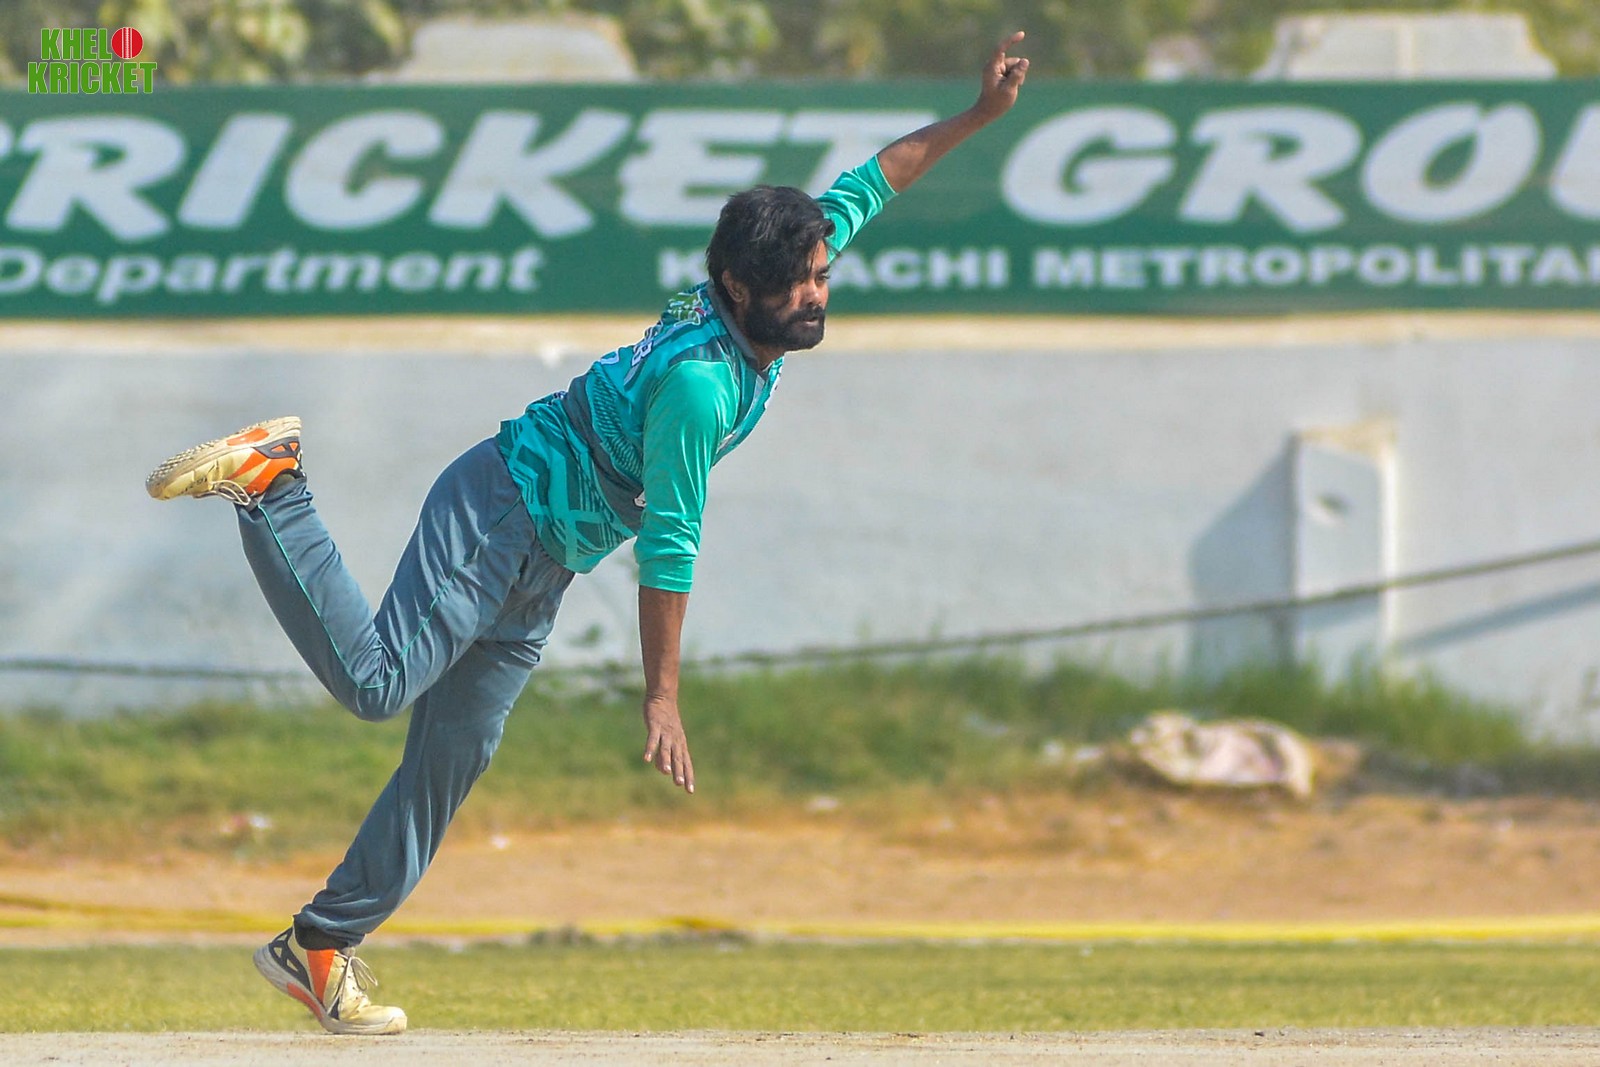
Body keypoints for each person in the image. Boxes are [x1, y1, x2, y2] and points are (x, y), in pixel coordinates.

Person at [145, 33, 1029, 1036]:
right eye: (798, 285)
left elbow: (878, 178)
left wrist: (978, 116)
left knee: (452, 758)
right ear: (738, 287)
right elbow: (671, 543)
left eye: (823, 273)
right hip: (502, 512)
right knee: (380, 683)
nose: (817, 295)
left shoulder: (766, 288)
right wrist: (662, 696)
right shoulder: (701, 386)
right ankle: (274, 486)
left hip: (548, 561)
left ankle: (319, 943)